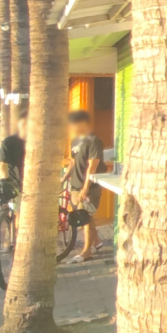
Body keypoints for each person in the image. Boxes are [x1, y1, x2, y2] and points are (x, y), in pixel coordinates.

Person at [65, 110, 105, 262]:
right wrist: (63, 179)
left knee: (85, 217)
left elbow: (92, 166)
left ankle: (86, 252)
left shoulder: (94, 141)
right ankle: (97, 242)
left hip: (89, 187)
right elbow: (73, 162)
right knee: (81, 218)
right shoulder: (75, 141)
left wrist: (85, 188)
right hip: (75, 185)